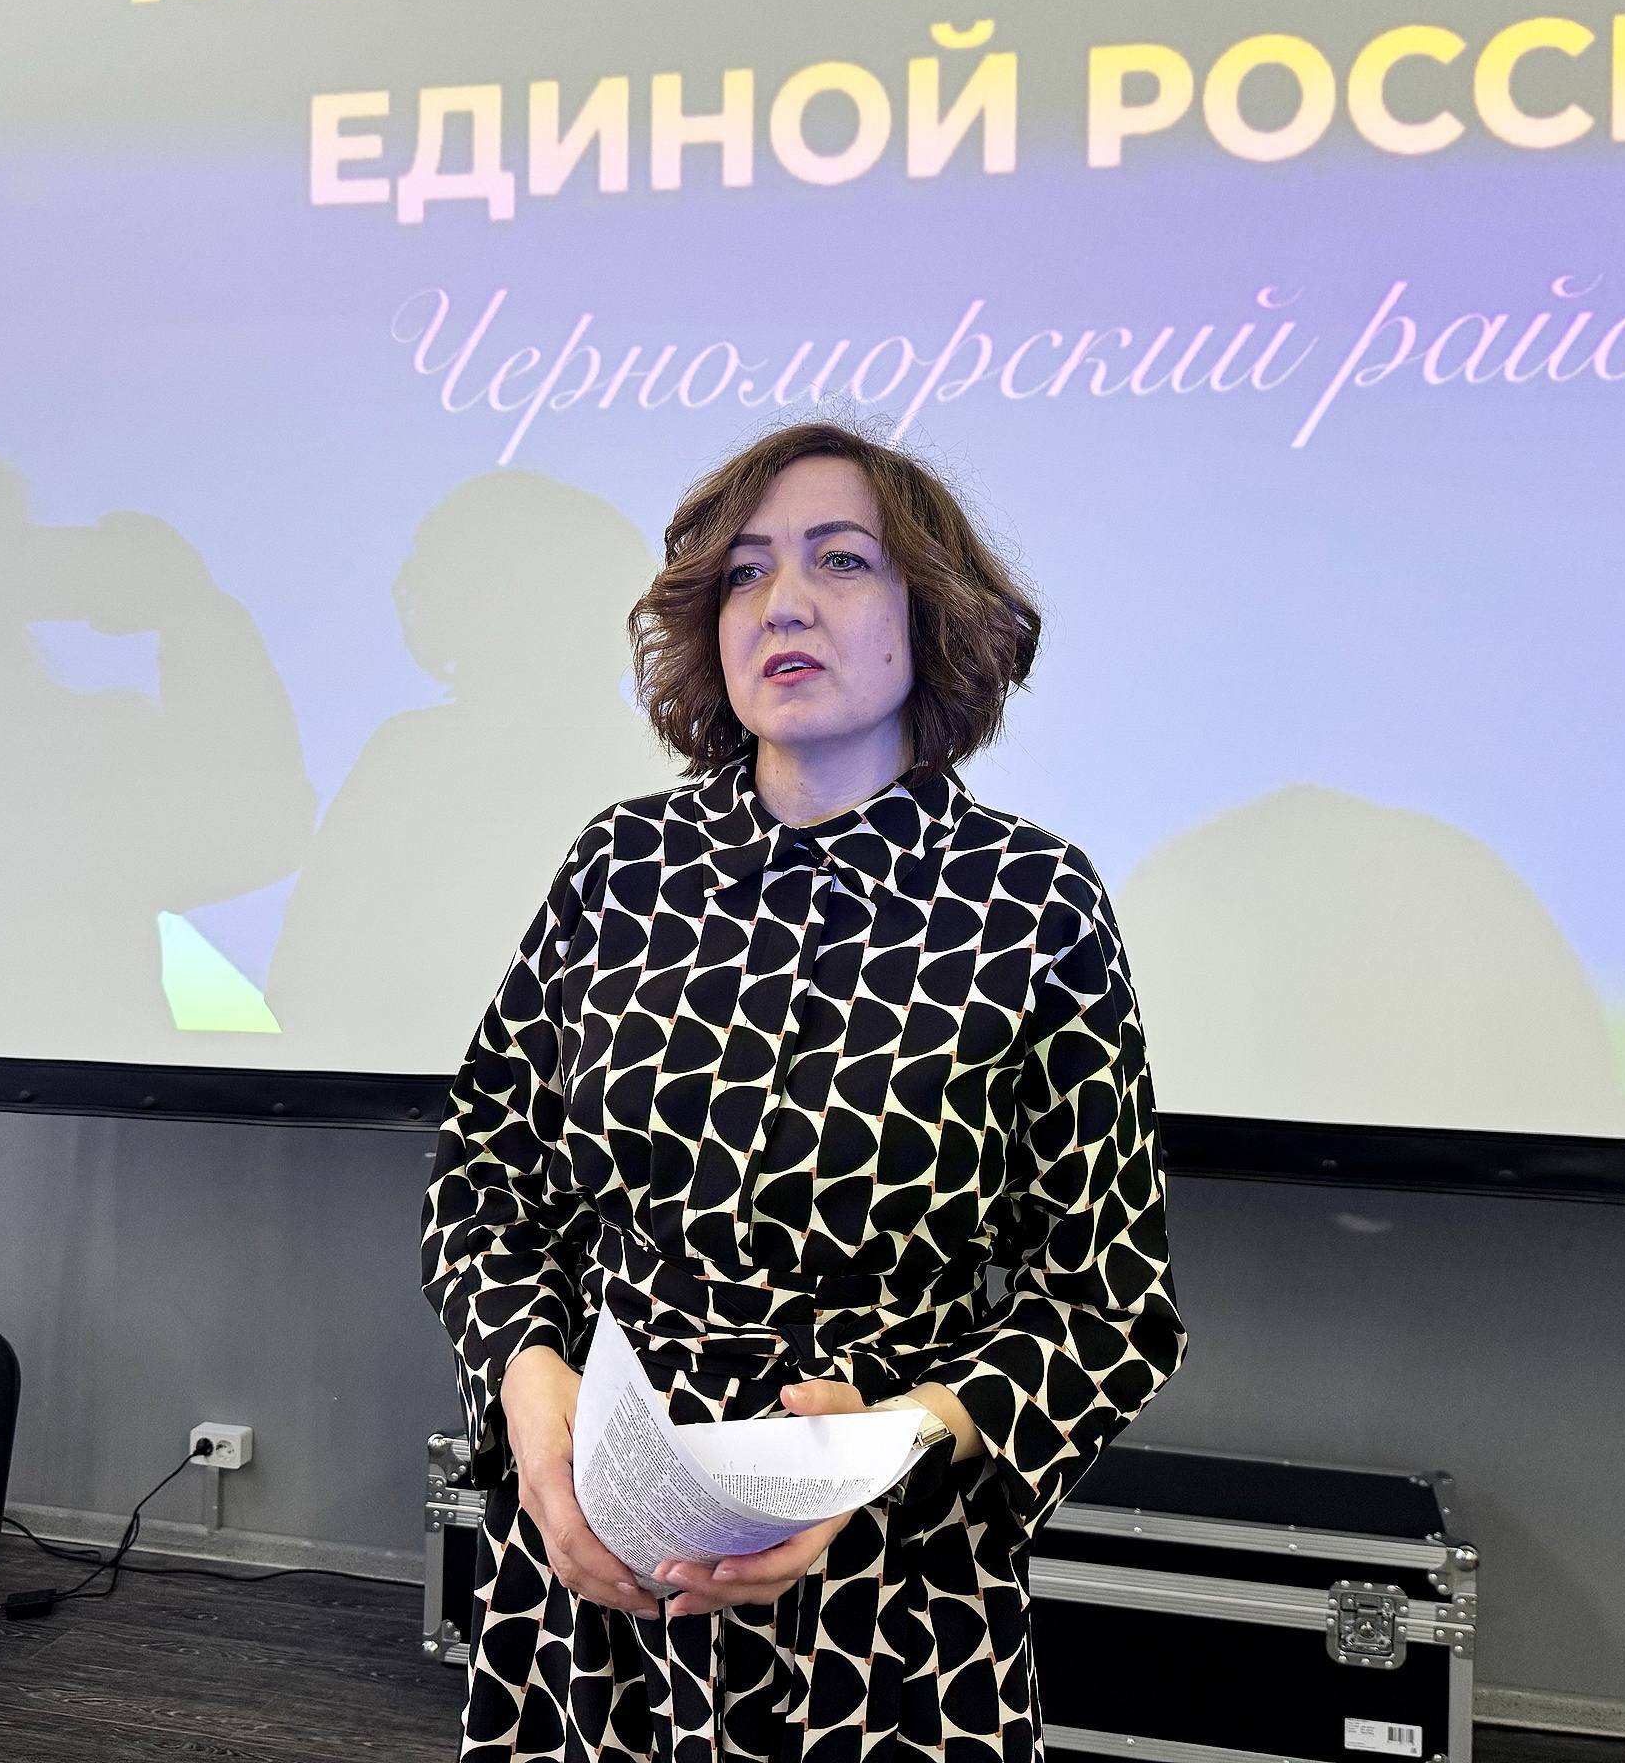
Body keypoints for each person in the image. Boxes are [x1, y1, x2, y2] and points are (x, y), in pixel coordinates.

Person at [420, 422, 1187, 1763]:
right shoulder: (621, 868)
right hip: (600, 1560)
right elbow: (485, 1181)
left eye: (841, 560)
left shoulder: (1033, 903)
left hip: (888, 1590)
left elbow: (1110, 1307)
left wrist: (897, 1439)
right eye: (745, 572)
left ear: (930, 612)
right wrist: (526, 1382)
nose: (782, 602)